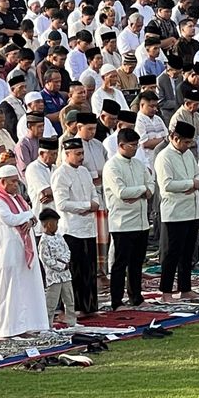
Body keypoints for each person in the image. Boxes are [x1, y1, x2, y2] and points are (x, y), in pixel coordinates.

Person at [0, 164, 47, 337]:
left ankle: (30, 325)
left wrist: (30, 218)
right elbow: (10, 219)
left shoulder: (18, 199)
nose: (16, 185)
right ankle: (8, 329)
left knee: (29, 287)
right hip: (7, 251)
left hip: (24, 249)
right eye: (12, 182)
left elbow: (32, 216)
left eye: (17, 181)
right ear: (2, 182)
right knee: (11, 289)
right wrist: (28, 216)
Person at [104, 128, 152, 308]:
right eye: (132, 145)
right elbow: (122, 192)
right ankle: (116, 301)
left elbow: (151, 184)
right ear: (121, 145)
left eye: (137, 145)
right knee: (120, 264)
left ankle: (136, 297)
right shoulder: (112, 166)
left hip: (141, 221)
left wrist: (143, 191)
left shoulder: (138, 164)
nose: (135, 148)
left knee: (137, 263)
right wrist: (142, 190)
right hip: (122, 222)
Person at [52, 137, 99, 316]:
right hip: (71, 229)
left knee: (89, 269)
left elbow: (94, 193)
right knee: (75, 271)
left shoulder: (84, 171)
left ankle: (89, 307)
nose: (81, 157)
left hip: (88, 227)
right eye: (77, 154)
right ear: (67, 154)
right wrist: (86, 206)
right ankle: (74, 308)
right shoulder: (60, 174)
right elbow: (62, 203)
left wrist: (94, 204)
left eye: (82, 153)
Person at [157, 122, 199, 299]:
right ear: (175, 138)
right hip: (174, 212)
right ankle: (166, 291)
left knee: (187, 253)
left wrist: (196, 183)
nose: (188, 146)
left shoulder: (188, 154)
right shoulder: (164, 157)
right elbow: (167, 184)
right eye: (185, 142)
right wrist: (191, 184)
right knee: (172, 254)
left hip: (192, 210)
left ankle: (185, 288)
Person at [37, 208, 77, 327]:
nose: (57, 226)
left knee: (69, 299)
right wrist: (60, 266)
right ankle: (47, 324)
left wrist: (66, 261)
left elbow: (67, 250)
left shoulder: (60, 237)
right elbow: (46, 259)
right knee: (51, 302)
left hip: (66, 275)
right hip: (53, 277)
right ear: (49, 224)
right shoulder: (44, 241)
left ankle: (71, 322)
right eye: (56, 223)